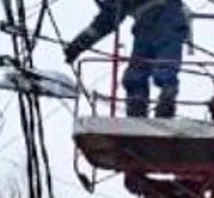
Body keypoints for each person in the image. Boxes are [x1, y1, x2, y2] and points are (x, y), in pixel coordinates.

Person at [62, 0, 191, 119]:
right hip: (146, 23)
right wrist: (78, 45)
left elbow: (106, 20)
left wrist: (78, 45)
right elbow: (107, 19)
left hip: (167, 14)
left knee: (164, 63)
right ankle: (140, 109)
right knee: (136, 74)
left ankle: (165, 98)